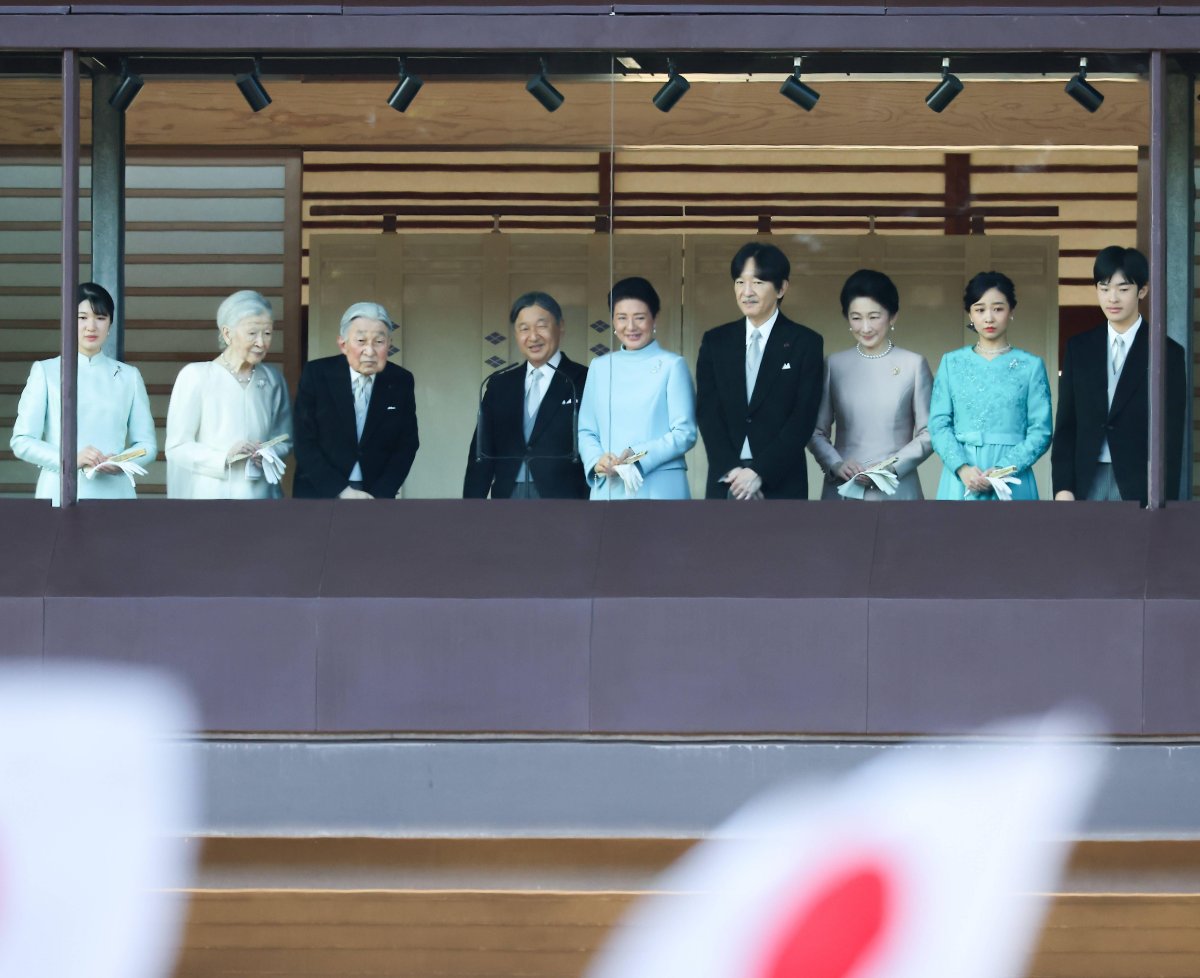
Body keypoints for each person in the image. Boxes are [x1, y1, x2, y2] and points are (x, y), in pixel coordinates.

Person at [1051, 245, 1186, 504]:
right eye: (1104, 288)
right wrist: (1063, 487)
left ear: (1142, 290)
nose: (1112, 298)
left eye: (1123, 289)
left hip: (1141, 483)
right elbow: (1067, 424)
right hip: (1087, 478)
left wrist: (1163, 496)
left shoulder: (1166, 352)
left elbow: (1172, 435)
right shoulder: (1079, 348)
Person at [695, 241, 823, 500]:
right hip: (726, 481)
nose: (747, 292)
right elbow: (708, 412)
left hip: (782, 481)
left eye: (758, 282)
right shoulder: (716, 341)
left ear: (781, 288)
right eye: (740, 282)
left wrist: (759, 472)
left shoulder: (805, 342)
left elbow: (803, 418)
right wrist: (732, 470)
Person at [11, 282, 156, 505]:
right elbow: (22, 441)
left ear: (110, 324)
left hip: (115, 494)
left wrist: (119, 462)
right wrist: (69, 458)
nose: (91, 326)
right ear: (68, 322)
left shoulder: (129, 376)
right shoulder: (46, 371)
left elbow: (147, 445)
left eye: (100, 318)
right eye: (82, 318)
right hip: (60, 493)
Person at [808, 269, 933, 500]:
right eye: (856, 318)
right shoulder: (834, 365)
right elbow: (815, 431)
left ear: (892, 316)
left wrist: (892, 466)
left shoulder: (913, 364)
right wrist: (835, 464)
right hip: (843, 487)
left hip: (898, 487)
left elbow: (929, 433)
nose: (865, 328)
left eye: (874, 317)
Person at [929, 271, 1052, 501]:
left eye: (998, 308)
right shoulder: (951, 363)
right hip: (961, 479)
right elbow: (938, 425)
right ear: (970, 314)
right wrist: (962, 468)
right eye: (980, 309)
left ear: (1011, 311)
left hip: (1013, 479)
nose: (989, 318)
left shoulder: (1031, 366)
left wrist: (1003, 471)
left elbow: (1041, 432)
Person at [165, 289, 292, 499]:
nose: (261, 342)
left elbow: (285, 439)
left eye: (267, 333)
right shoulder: (196, 376)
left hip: (263, 496)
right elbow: (178, 446)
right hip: (211, 497)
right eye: (252, 333)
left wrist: (268, 453)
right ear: (227, 333)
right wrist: (224, 457)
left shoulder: (273, 379)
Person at [577, 277, 696, 500]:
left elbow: (685, 433)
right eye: (622, 318)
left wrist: (637, 456)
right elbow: (587, 431)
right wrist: (597, 461)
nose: (630, 327)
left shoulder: (672, 365)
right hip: (610, 487)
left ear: (654, 319)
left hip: (660, 486)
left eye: (639, 318)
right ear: (613, 320)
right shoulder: (599, 368)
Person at [463, 291, 588, 499]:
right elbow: (481, 454)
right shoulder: (499, 384)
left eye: (541, 326)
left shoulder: (583, 379)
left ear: (561, 326)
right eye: (524, 329)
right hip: (508, 497)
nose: (533, 336)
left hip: (565, 499)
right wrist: (470, 509)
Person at [293, 301, 418, 499]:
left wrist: (380, 494)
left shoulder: (401, 380)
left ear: (389, 344)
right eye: (361, 341)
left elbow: (407, 444)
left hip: (376, 494)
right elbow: (303, 440)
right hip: (320, 492)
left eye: (379, 341)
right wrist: (341, 491)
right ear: (343, 344)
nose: (370, 351)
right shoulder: (317, 374)